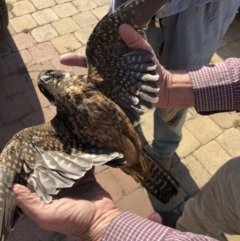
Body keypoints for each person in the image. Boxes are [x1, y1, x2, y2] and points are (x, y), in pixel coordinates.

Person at [14, 24, 240, 241]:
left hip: (124, 154)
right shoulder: (90, 91)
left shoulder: (54, 127)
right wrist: (170, 85)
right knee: (214, 200)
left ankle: (183, 226)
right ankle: (185, 227)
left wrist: (99, 225)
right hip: (131, 153)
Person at [109, 0, 240, 170]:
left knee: (174, 103)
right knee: (128, 80)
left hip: (196, 24)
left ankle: (163, 150)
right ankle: (129, 123)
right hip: (135, 16)